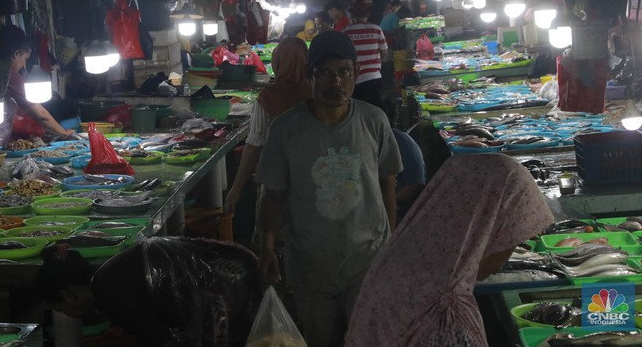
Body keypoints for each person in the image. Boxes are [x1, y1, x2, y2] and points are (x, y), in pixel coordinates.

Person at [257, 30, 403, 347]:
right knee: (320, 340)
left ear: (356, 74)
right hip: (311, 265)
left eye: (343, 72)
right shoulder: (285, 129)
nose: (334, 82)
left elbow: (386, 183)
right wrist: (267, 245)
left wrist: (390, 242)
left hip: (367, 258)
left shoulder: (374, 121)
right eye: (324, 73)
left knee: (369, 339)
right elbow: (274, 196)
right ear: (311, 75)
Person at [346, 154, 554, 347]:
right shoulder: (445, 314)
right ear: (485, 228)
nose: (503, 262)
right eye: (510, 238)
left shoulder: (404, 261)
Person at [37, 237, 260, 346]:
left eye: (61, 308)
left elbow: (162, 341)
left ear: (68, 296)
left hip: (226, 292)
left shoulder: (110, 294)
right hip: (240, 267)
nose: (66, 314)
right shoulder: (108, 270)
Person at [225, 37, 311, 215]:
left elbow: (253, 147)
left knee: (271, 234)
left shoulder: (268, 97)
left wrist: (236, 189)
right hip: (313, 179)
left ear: (278, 61)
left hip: (276, 182)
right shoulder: (317, 94)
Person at [0, 25, 75, 154]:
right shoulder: (9, 74)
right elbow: (41, 115)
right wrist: (63, 133)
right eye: (25, 58)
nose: (24, 64)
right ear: (16, 53)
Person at [343, 0, 389, 110]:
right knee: (375, 109)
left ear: (353, 14)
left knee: (357, 110)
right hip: (374, 77)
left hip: (354, 79)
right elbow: (384, 52)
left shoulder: (345, 32)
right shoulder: (376, 29)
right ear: (367, 14)